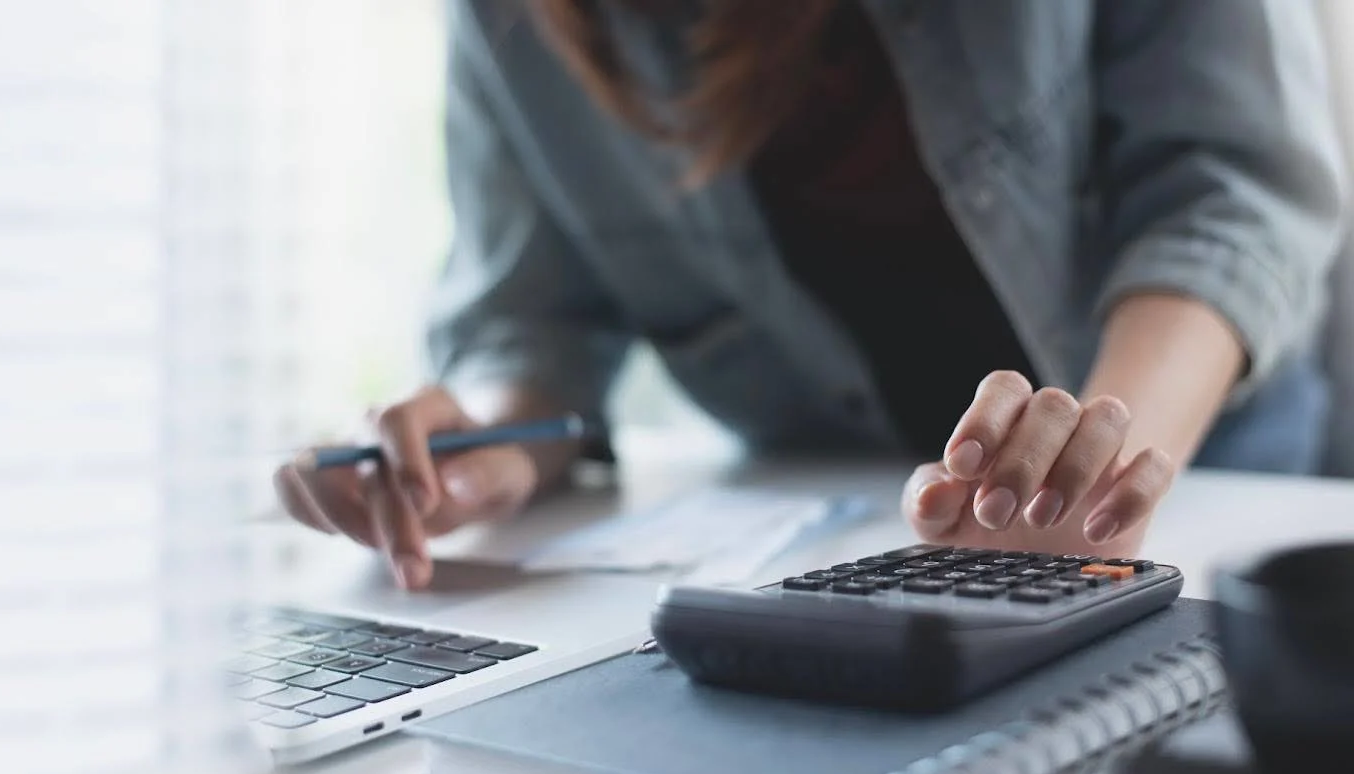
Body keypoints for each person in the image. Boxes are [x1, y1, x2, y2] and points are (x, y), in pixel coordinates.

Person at [279, 0, 1349, 591]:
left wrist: (1099, 471)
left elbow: (1232, 190)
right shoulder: (506, 24)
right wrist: (482, 445)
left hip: (1213, 484)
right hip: (830, 539)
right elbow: (534, 321)